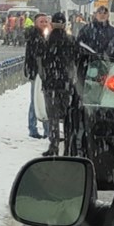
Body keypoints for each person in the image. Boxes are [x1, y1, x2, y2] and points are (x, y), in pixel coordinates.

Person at [40, 12, 80, 157]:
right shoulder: (71, 41)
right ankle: (69, 146)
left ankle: (54, 145)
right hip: (66, 84)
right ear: (64, 25)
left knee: (53, 117)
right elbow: (78, 59)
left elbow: (41, 61)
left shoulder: (46, 41)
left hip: (50, 84)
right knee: (68, 116)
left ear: (51, 24)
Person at [24, 13, 50, 140]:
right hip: (36, 73)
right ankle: (33, 129)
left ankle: (47, 130)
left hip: (44, 73)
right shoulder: (34, 37)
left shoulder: (44, 36)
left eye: (46, 21)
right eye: (41, 22)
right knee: (36, 100)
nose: (44, 24)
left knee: (45, 100)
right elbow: (37, 55)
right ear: (35, 23)